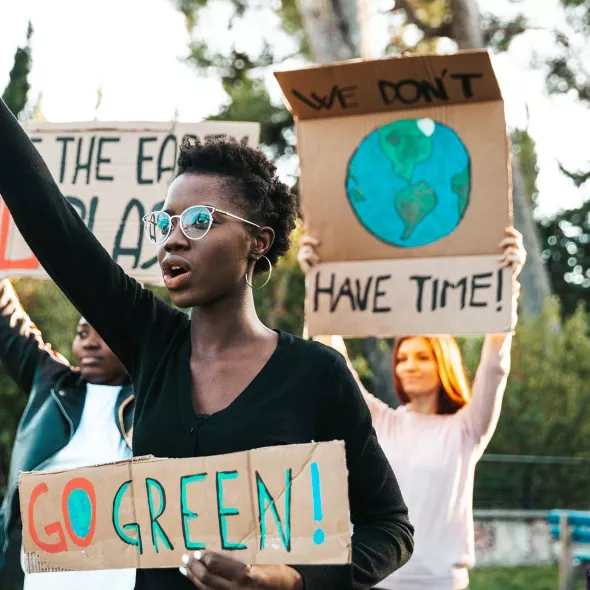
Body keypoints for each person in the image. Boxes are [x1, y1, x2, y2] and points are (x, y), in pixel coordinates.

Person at [0, 97, 414, 590]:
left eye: (199, 220)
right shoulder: (150, 340)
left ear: (257, 241)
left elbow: (390, 530)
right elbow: (50, 219)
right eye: (165, 221)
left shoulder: (318, 374)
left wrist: (292, 580)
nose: (173, 239)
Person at [297, 228, 526, 590]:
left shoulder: (467, 428)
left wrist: (507, 282)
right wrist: (317, 281)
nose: (409, 365)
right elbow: (333, 361)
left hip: (440, 583)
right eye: (402, 357)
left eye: (422, 356)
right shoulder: (380, 421)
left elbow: (495, 363)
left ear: (443, 364)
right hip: (376, 579)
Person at [0, 279, 136, 590]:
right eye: (82, 333)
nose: (89, 343)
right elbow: (7, 317)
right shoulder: (50, 381)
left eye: (103, 333)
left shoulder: (154, 401)